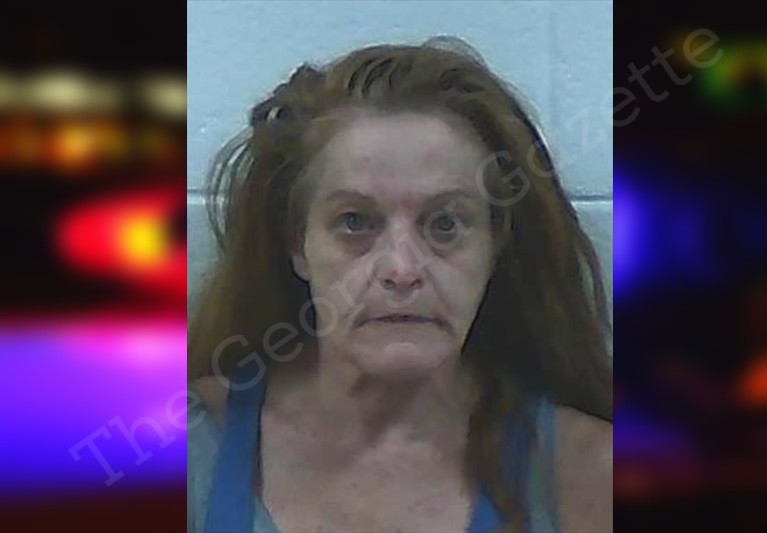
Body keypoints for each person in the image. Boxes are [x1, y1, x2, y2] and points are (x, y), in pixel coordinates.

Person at [187, 37, 612, 533]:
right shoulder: (184, 449)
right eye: (355, 222)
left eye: (446, 224)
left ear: (494, 245)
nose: (403, 268)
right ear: (298, 245)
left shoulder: (591, 472)